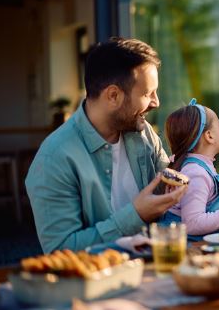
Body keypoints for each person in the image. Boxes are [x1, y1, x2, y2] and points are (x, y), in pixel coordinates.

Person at [25, 38, 187, 253]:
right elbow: (60, 250)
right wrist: (136, 215)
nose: (156, 103)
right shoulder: (54, 159)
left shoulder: (143, 133)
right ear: (113, 95)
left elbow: (169, 189)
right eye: (147, 94)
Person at [159, 99, 219, 240]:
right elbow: (193, 223)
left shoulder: (198, 168)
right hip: (188, 248)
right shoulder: (196, 173)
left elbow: (207, 200)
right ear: (209, 136)